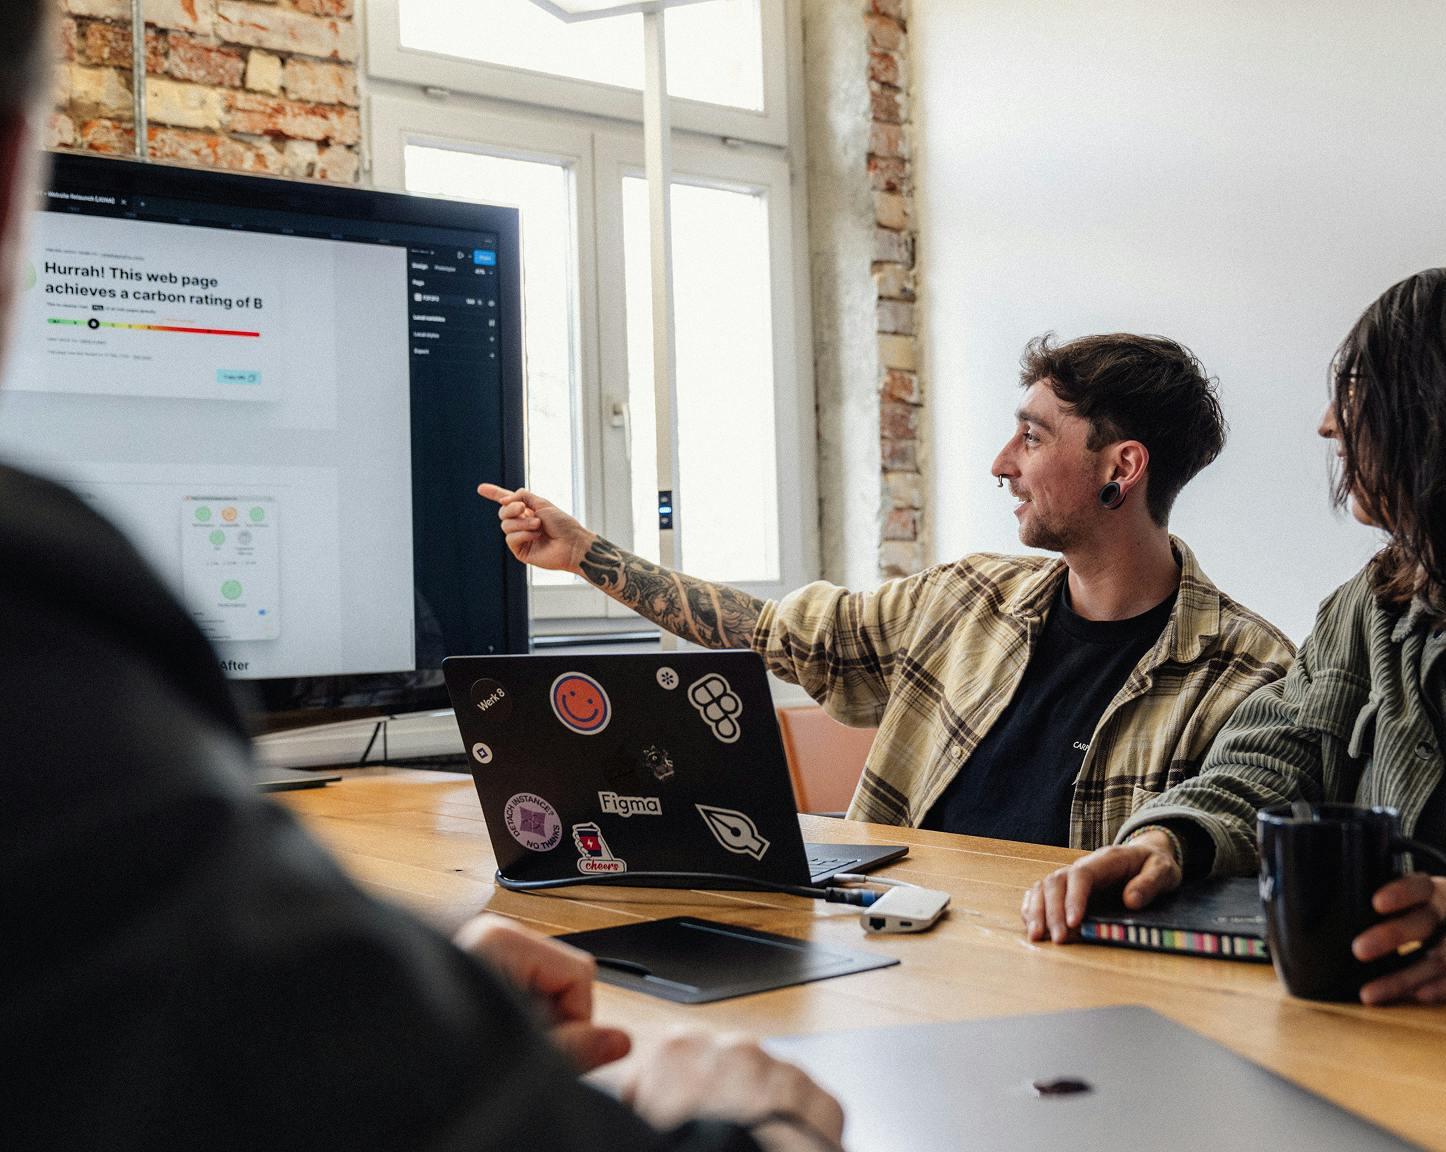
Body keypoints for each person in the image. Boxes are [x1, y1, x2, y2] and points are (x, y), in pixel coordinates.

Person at [0, 5, 842, 1150]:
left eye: (1030, 434)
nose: (1000, 461)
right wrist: (761, 1123)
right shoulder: (40, 643)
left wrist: (395, 1010)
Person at [484, 335, 1293, 850]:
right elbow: (771, 632)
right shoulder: (966, 598)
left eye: (1033, 436)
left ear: (1122, 466)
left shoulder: (1247, 676)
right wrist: (586, 555)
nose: (1002, 463)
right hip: (896, 960)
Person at [1024, 261, 1446, 1004]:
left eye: (1369, 392)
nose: (1330, 423)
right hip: (1377, 1019)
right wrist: (1171, 840)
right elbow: (1271, 758)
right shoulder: (1377, 603)